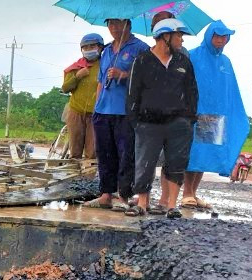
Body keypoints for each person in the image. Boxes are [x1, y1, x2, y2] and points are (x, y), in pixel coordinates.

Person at [125, 18, 199, 218]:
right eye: (179, 36)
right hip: (148, 123)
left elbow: (192, 92)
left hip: (178, 123)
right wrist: (136, 122)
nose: (181, 40)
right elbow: (133, 93)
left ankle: (172, 206)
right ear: (166, 36)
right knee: (145, 162)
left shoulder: (183, 61)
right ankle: (142, 203)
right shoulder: (141, 61)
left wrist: (188, 119)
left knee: (176, 162)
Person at [182, 20, 249, 209]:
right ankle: (186, 193)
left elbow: (230, 90)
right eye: (217, 36)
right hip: (196, 113)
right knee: (194, 154)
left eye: (224, 37)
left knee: (207, 156)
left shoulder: (225, 62)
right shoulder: (193, 56)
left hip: (215, 117)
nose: (220, 40)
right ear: (209, 36)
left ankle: (194, 194)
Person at [90, 18, 150, 208]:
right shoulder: (106, 50)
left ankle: (123, 195)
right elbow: (100, 81)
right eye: (111, 24)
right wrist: (96, 107)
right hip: (103, 109)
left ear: (128, 24)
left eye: (118, 23)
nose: (114, 28)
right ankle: (106, 193)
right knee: (105, 153)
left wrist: (123, 75)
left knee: (126, 155)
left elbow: (147, 80)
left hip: (126, 111)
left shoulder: (140, 48)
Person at [61, 33, 104, 159]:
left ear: (100, 47)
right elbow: (65, 88)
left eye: (92, 46)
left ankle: (88, 178)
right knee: (75, 150)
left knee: (92, 151)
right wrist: (77, 76)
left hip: (95, 114)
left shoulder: (104, 66)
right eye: (86, 47)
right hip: (76, 112)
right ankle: (73, 177)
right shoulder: (76, 67)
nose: (89, 49)